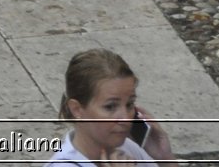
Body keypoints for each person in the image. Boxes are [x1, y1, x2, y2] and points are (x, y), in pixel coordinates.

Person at [45, 49, 178, 165]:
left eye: (129, 104)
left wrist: (165, 159)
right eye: (110, 107)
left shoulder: (128, 148)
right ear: (77, 109)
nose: (125, 119)